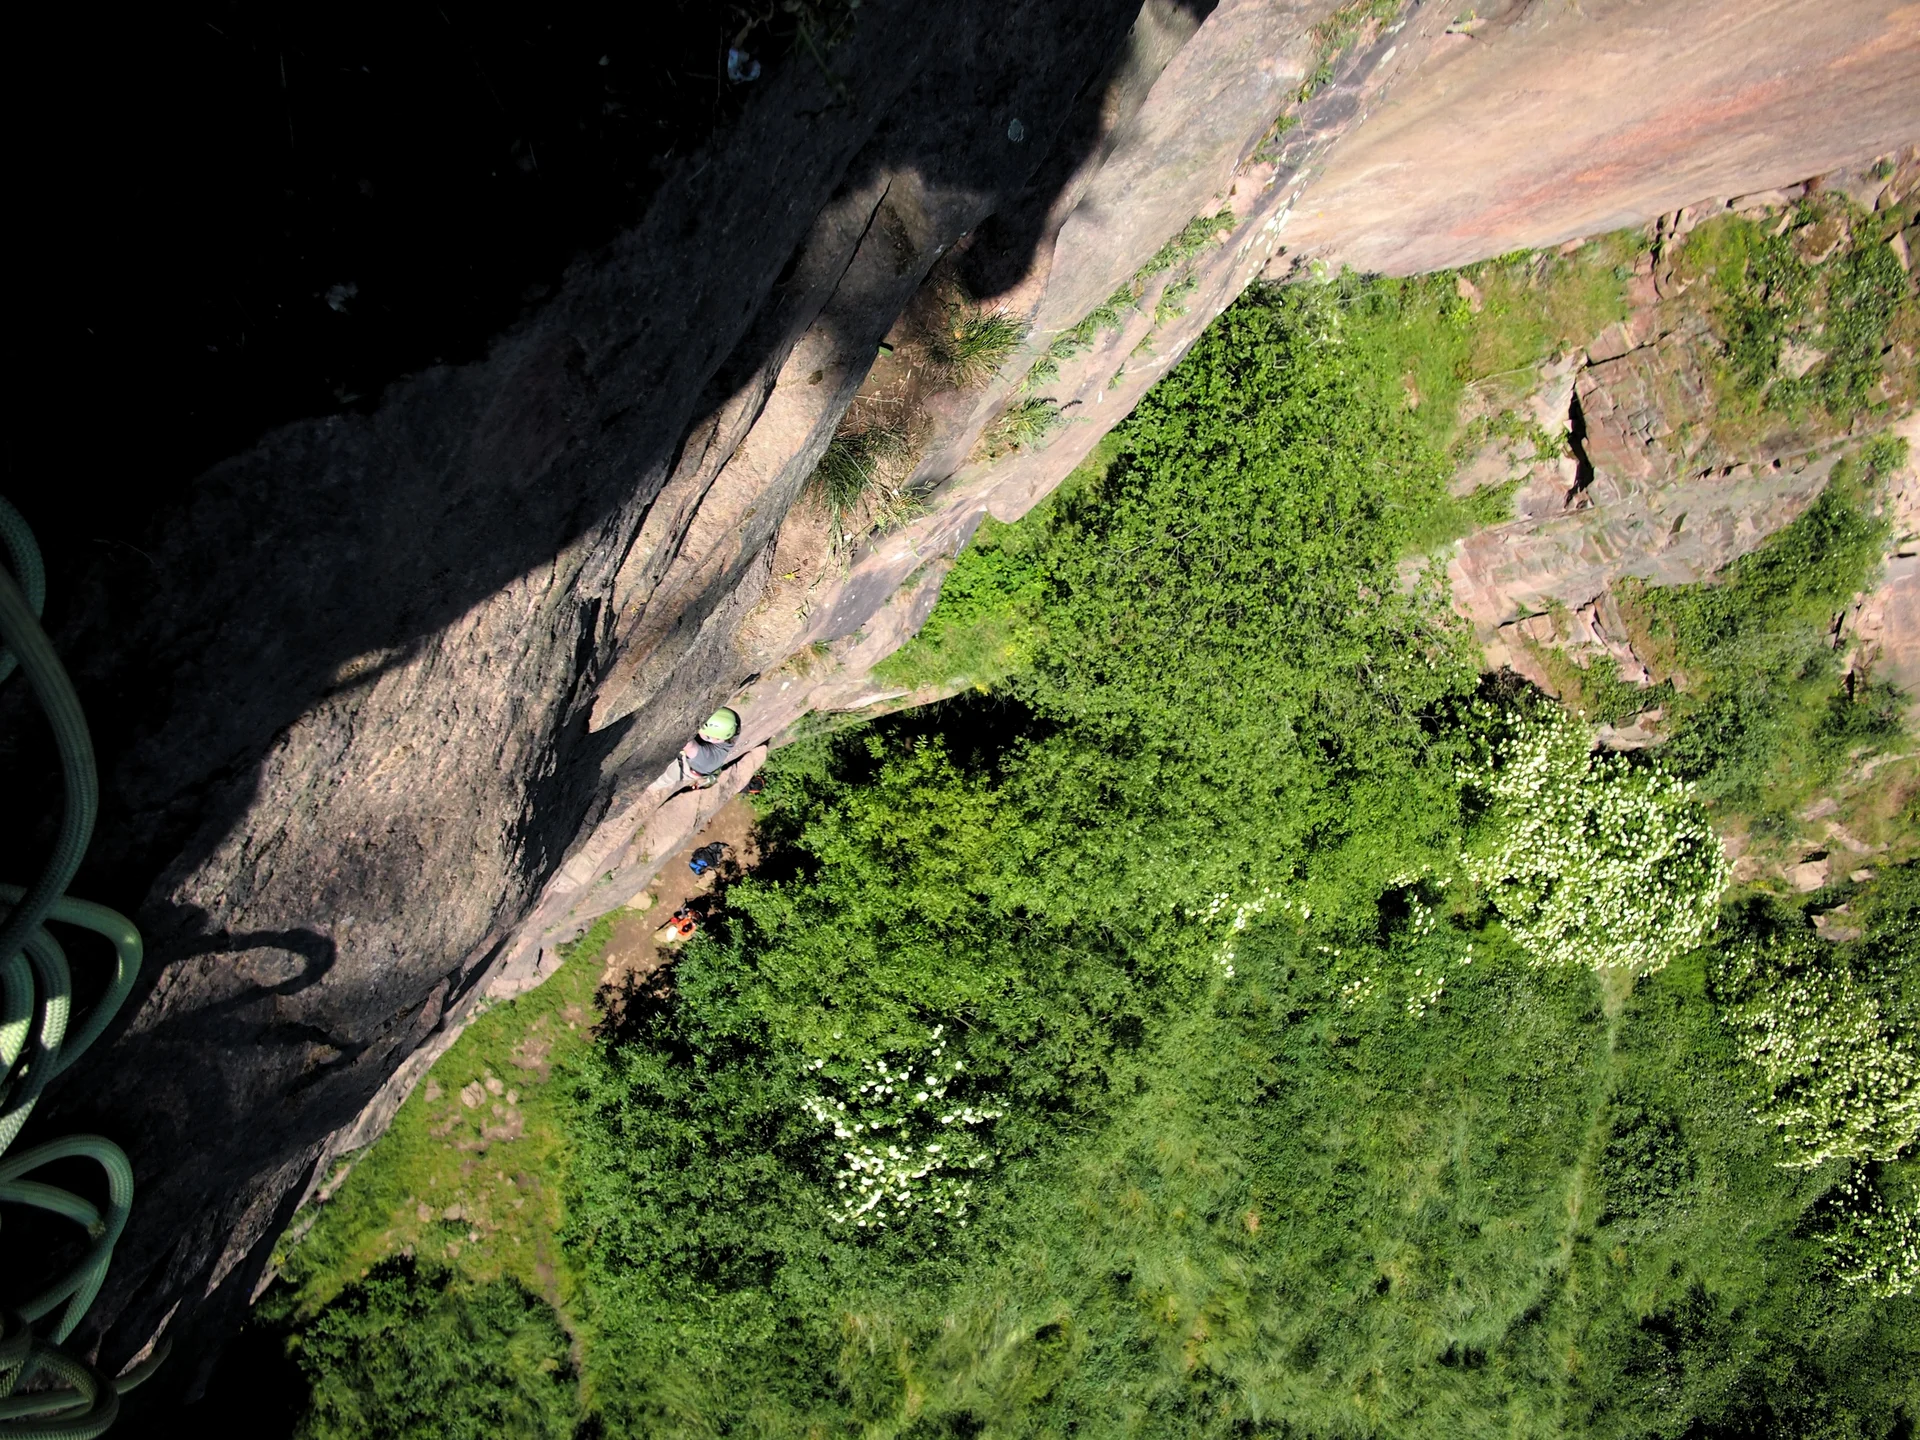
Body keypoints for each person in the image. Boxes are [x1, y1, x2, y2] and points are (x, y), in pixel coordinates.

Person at [675, 707, 739, 790]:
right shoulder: (732, 723)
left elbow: (687, 744)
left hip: (694, 769)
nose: (715, 739)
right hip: (707, 765)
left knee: (666, 778)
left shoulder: (706, 759)